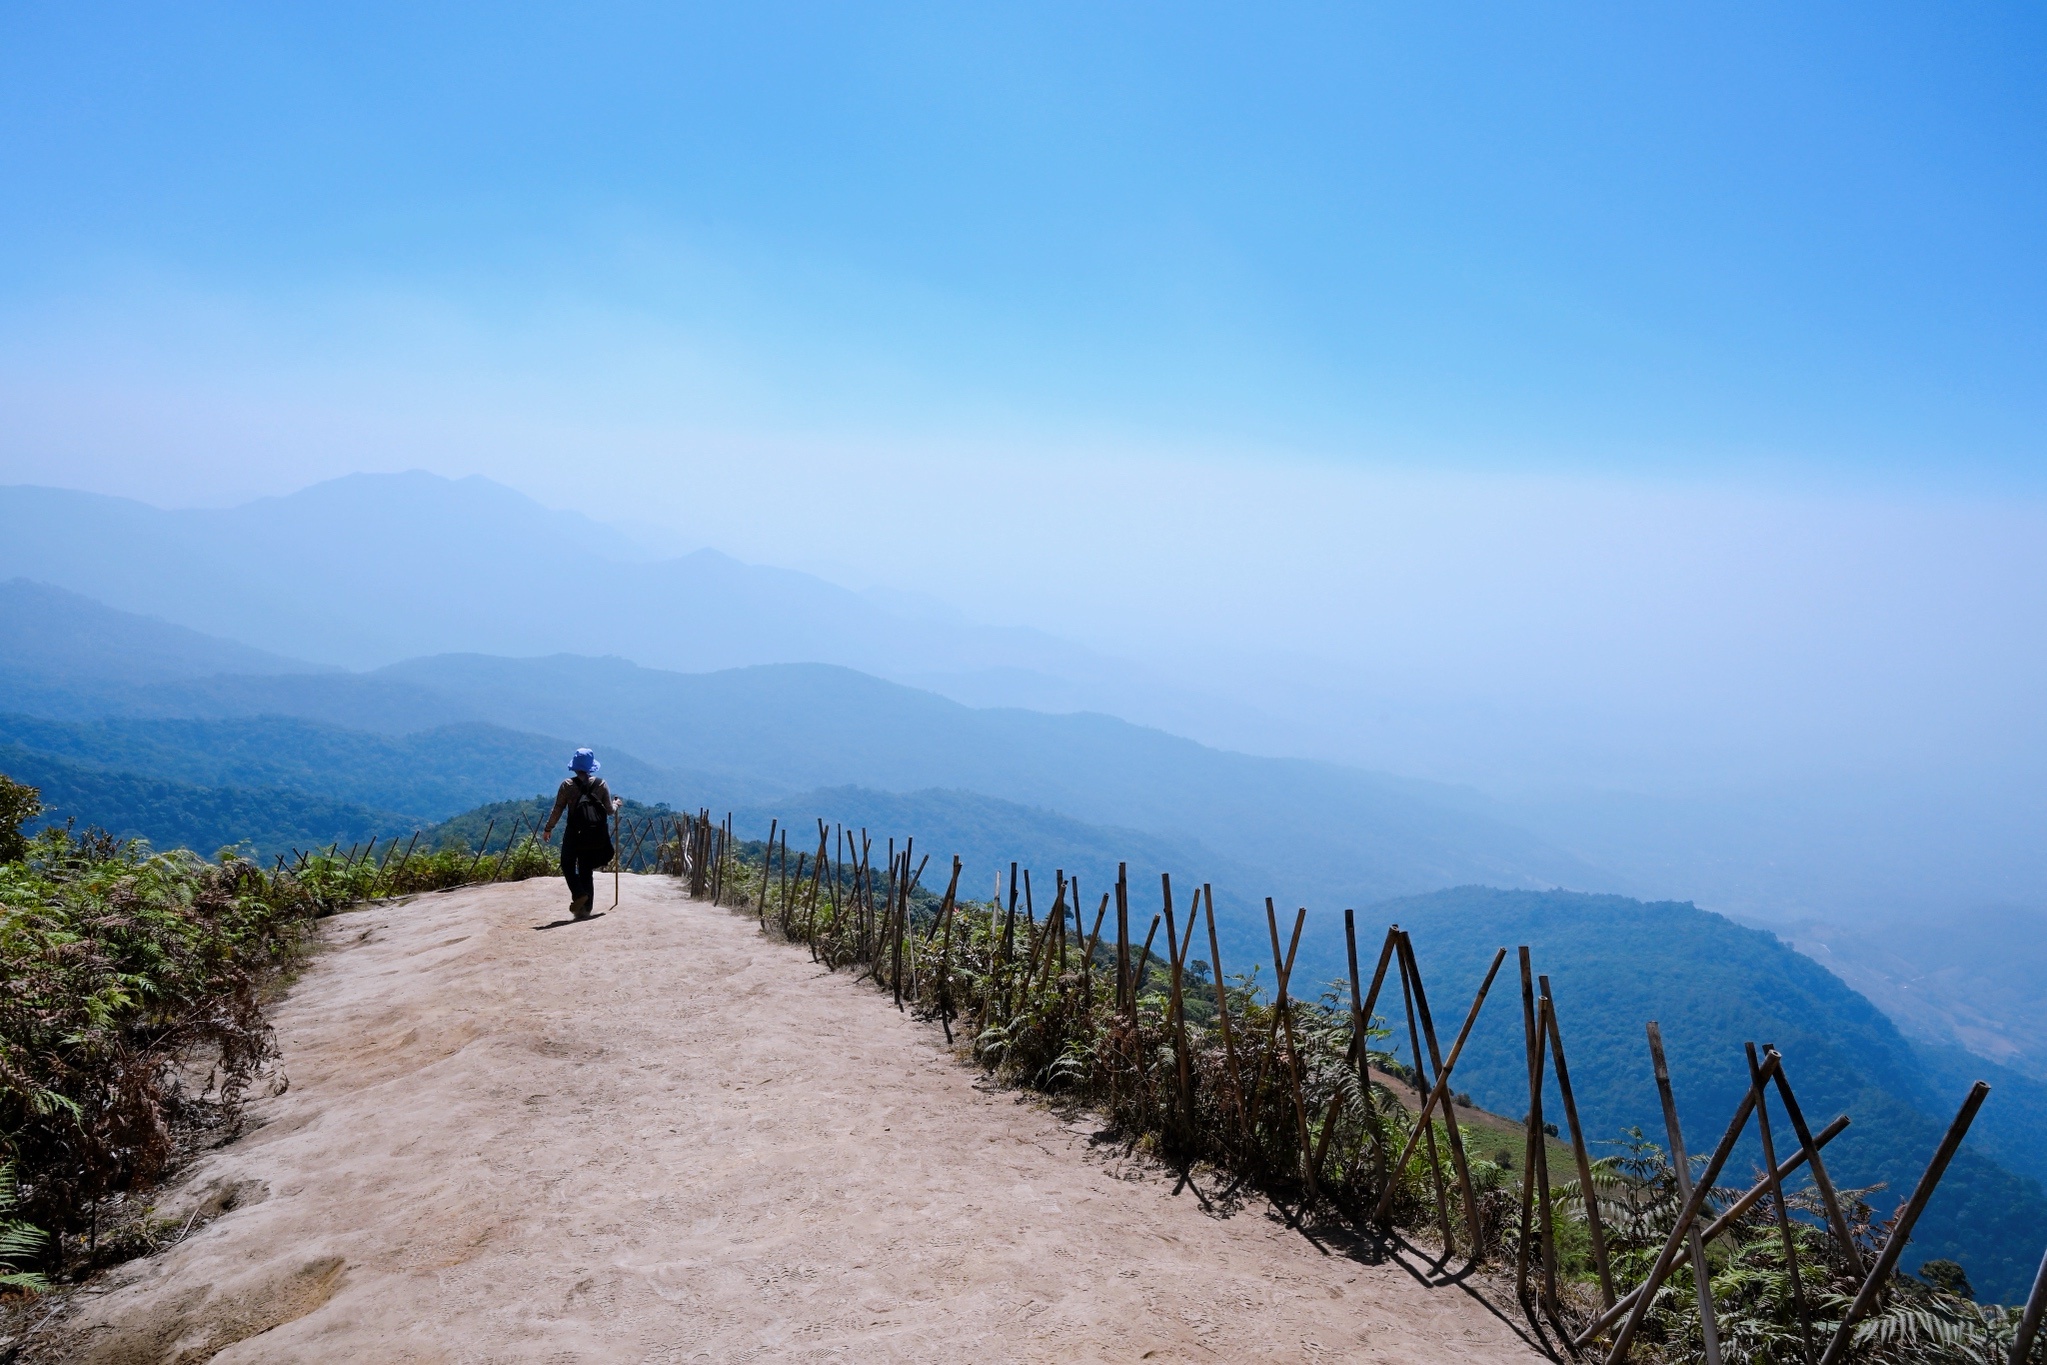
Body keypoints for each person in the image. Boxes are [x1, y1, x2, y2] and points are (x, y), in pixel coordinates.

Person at [537, 748, 618, 920]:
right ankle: (585, 910)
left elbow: (558, 808)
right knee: (585, 869)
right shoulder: (601, 784)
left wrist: (548, 828)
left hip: (574, 832)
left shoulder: (567, 785)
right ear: (591, 767)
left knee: (567, 863)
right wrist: (617, 804)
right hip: (595, 835)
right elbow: (610, 811)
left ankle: (579, 893)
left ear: (575, 766)